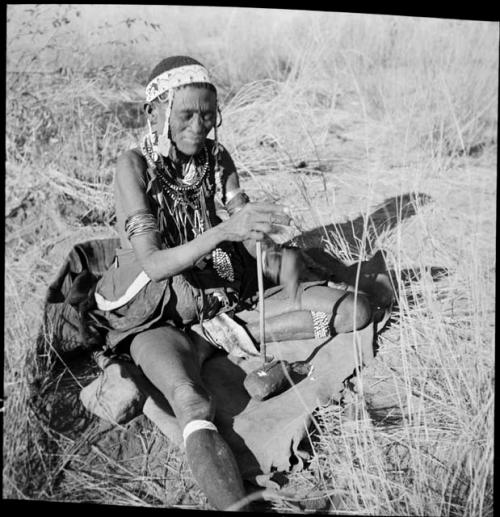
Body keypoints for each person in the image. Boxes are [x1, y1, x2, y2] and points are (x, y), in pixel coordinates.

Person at [90, 55, 373, 510]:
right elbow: (156, 263)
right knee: (191, 402)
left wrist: (267, 245)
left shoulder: (217, 158)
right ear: (155, 114)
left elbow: (242, 220)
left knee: (353, 311)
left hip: (215, 291)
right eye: (186, 115)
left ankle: (244, 334)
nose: (199, 126)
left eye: (208, 115)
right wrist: (226, 231)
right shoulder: (133, 165)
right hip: (155, 309)